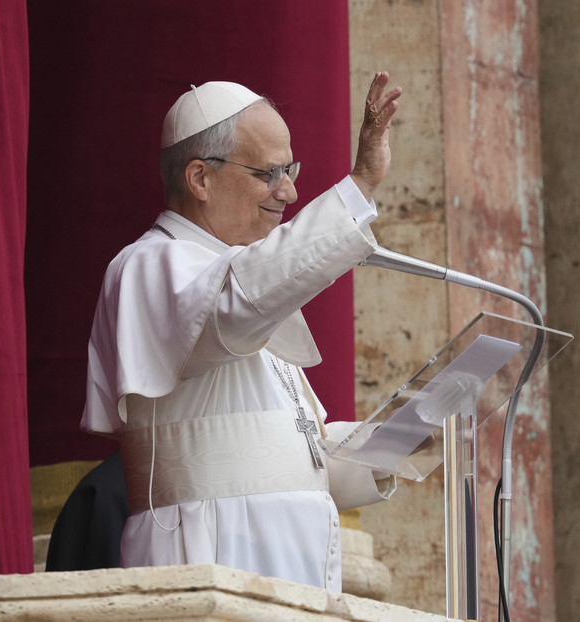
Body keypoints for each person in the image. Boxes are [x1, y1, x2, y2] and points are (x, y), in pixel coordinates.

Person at [80, 73, 403, 593]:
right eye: (270, 172)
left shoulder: (245, 283)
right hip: (210, 559)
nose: (291, 190)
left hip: (288, 575)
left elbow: (298, 458)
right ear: (201, 179)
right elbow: (237, 304)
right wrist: (358, 187)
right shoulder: (148, 266)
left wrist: (406, 433)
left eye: (291, 169)